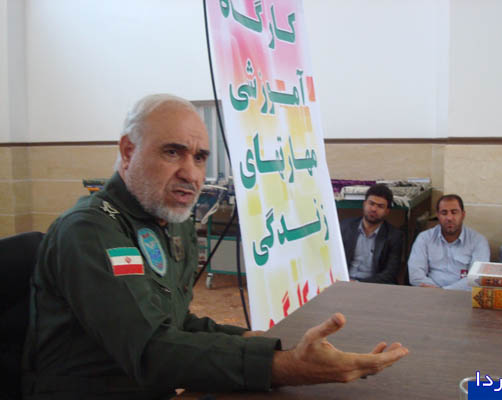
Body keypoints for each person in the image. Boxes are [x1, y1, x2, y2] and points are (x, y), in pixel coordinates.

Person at [21, 94, 409, 399]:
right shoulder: (90, 230)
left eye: (200, 157)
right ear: (128, 152)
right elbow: (151, 351)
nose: (191, 173)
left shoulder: (170, 222)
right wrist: (286, 366)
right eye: (172, 152)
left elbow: (176, 323)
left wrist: (257, 343)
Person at [408, 194, 490, 290]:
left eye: (454, 212)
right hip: (429, 293)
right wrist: (435, 291)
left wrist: (443, 291)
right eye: (444, 213)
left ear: (463, 215)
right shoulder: (424, 238)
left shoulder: (478, 241)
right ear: (438, 215)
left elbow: (477, 278)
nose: (449, 218)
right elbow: (415, 274)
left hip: (462, 295)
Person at [340, 184, 404, 284]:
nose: (374, 209)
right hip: (344, 282)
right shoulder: (345, 227)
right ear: (364, 204)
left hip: (374, 286)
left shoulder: (394, 236)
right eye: (371, 203)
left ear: (387, 211)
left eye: (380, 206)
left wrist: (358, 283)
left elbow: (390, 273)